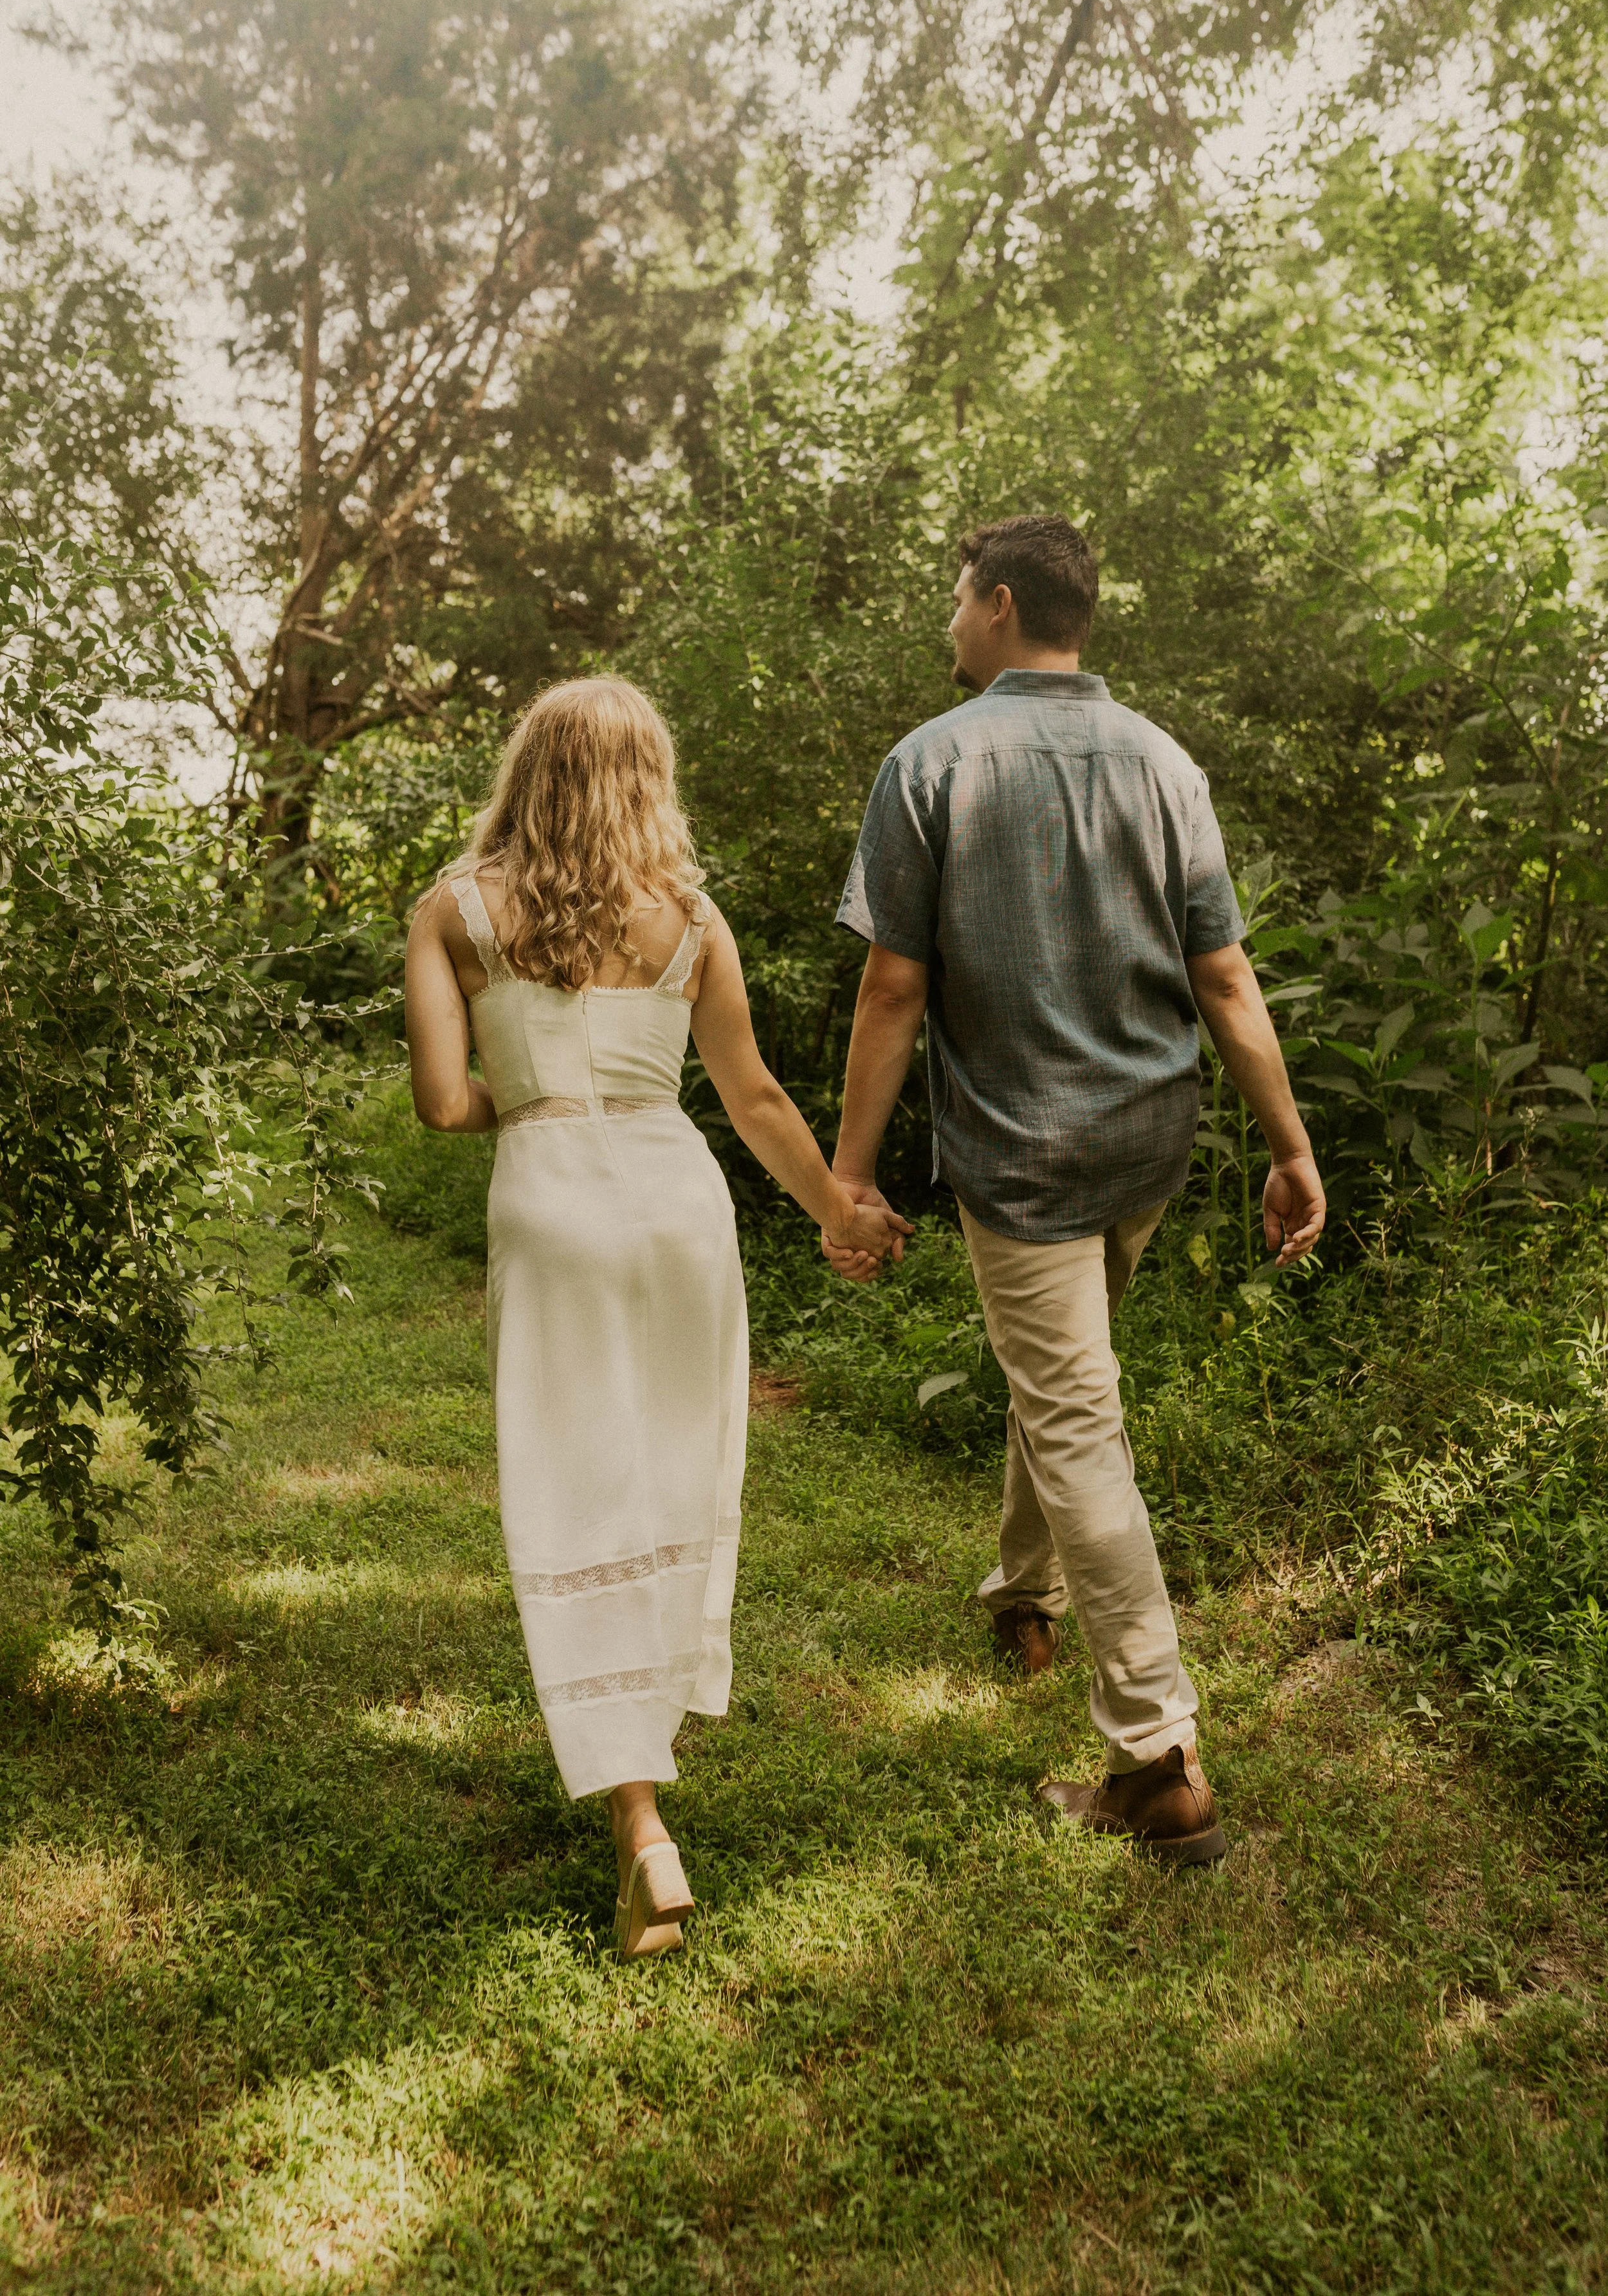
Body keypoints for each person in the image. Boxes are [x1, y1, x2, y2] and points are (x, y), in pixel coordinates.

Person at [824, 515, 1325, 1867]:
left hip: (1024, 1154)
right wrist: (1289, 1146)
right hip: (1143, 1149)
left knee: (1074, 1415)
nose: (946, 623)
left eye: (951, 599)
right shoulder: (1163, 762)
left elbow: (890, 984)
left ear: (996, 605)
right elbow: (1224, 978)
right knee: (1064, 1380)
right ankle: (1020, 1595)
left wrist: (848, 1172)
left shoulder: (928, 763)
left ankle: (1156, 1758)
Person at [405, 677, 908, 1956]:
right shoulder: (689, 923)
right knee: (676, 1472)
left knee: (575, 1491)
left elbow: (442, 1105)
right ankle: (648, 1745)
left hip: (551, 1196)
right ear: (647, 780)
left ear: (528, 774)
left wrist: (522, 1090)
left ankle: (639, 1821)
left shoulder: (453, 913)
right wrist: (836, 1213)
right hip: (679, 1201)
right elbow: (753, 1103)